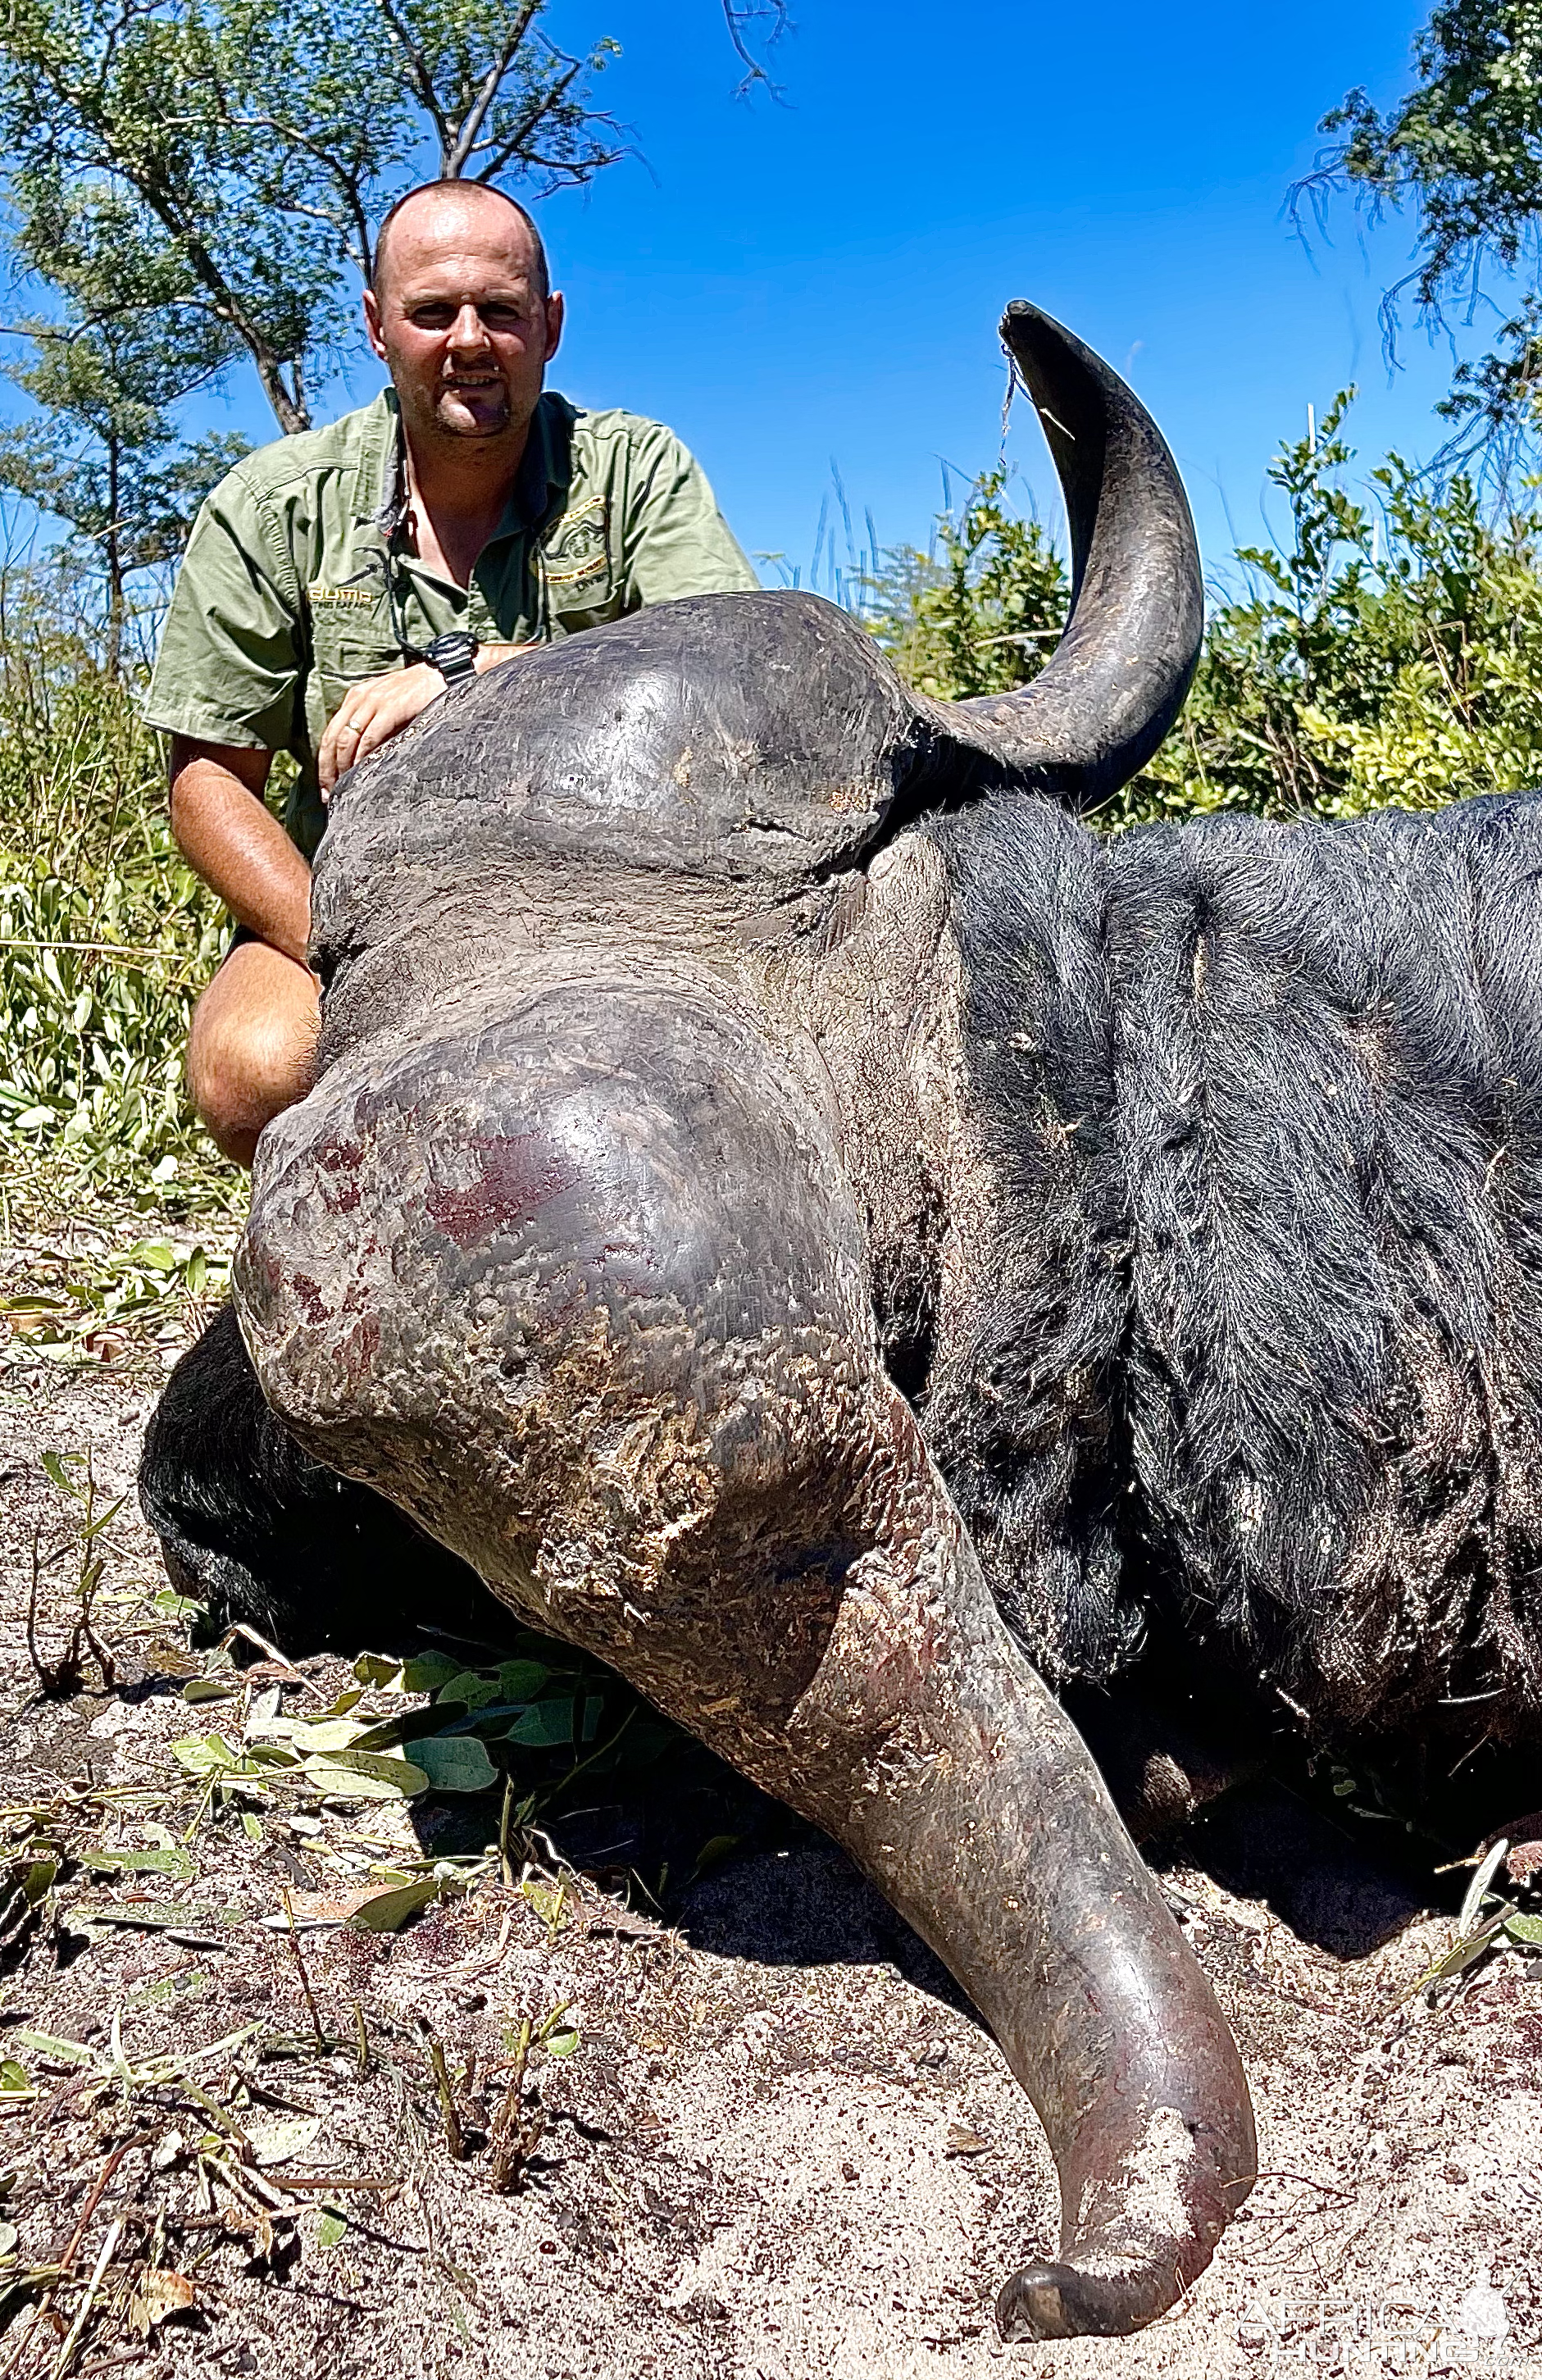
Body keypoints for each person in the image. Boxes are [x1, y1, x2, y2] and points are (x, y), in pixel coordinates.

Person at [143, 179, 759, 1166]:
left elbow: (731, 667)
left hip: (616, 902)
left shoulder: (637, 470)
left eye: (501, 311)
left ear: (549, 327)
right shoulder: (273, 506)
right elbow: (208, 781)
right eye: (433, 312)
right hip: (354, 910)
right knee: (255, 1068)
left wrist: (471, 668)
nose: (469, 339)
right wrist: (345, 948)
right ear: (378, 327)